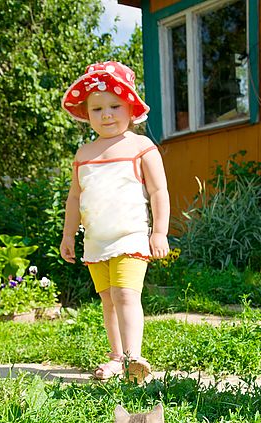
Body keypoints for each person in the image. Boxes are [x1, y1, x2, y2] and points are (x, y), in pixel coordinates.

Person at [60, 61, 170, 383]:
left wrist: (159, 231)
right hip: (97, 240)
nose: (106, 114)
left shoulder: (141, 147)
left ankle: (134, 357)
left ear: (131, 107)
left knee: (126, 294)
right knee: (108, 300)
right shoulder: (84, 153)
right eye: (97, 109)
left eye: (114, 106)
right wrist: (69, 235)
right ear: (87, 113)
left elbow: (159, 190)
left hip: (130, 236)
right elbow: (75, 198)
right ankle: (116, 357)